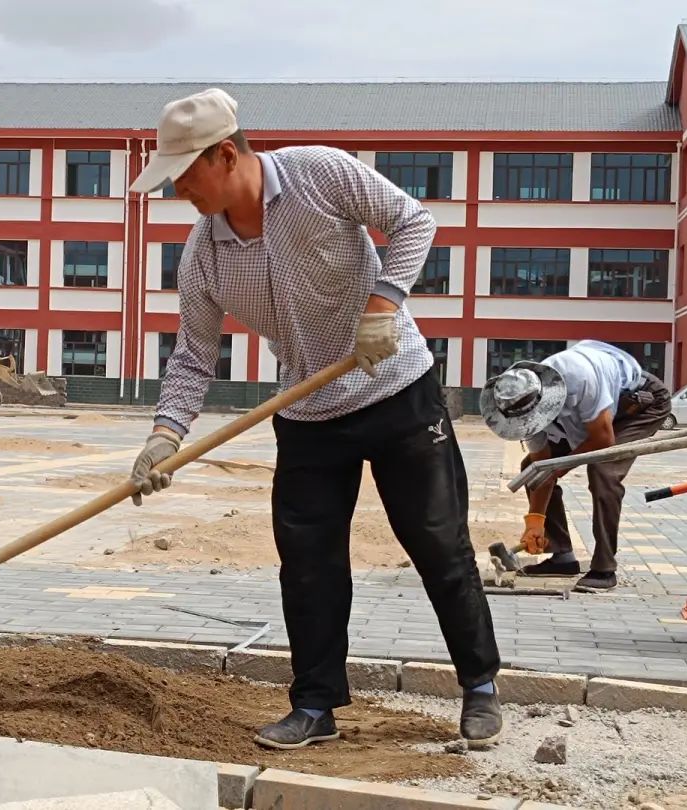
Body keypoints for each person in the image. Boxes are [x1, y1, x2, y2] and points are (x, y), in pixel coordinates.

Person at [127, 88, 502, 749]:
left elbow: (413, 221)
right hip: (306, 410)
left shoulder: (318, 174)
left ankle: (479, 688)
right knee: (307, 565)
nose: (177, 189)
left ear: (223, 154)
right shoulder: (204, 254)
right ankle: (316, 706)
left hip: (397, 392)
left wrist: (384, 304)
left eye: (184, 174)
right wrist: (164, 437)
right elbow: (192, 359)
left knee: (438, 544)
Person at [479, 340, 672, 591]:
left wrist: (562, 467)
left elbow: (603, 439)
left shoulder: (580, 377)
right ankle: (562, 556)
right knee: (531, 468)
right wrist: (535, 521)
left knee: (603, 470)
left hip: (639, 404)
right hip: (595, 414)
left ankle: (604, 569)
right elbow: (542, 467)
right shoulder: (520, 408)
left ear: (544, 400)